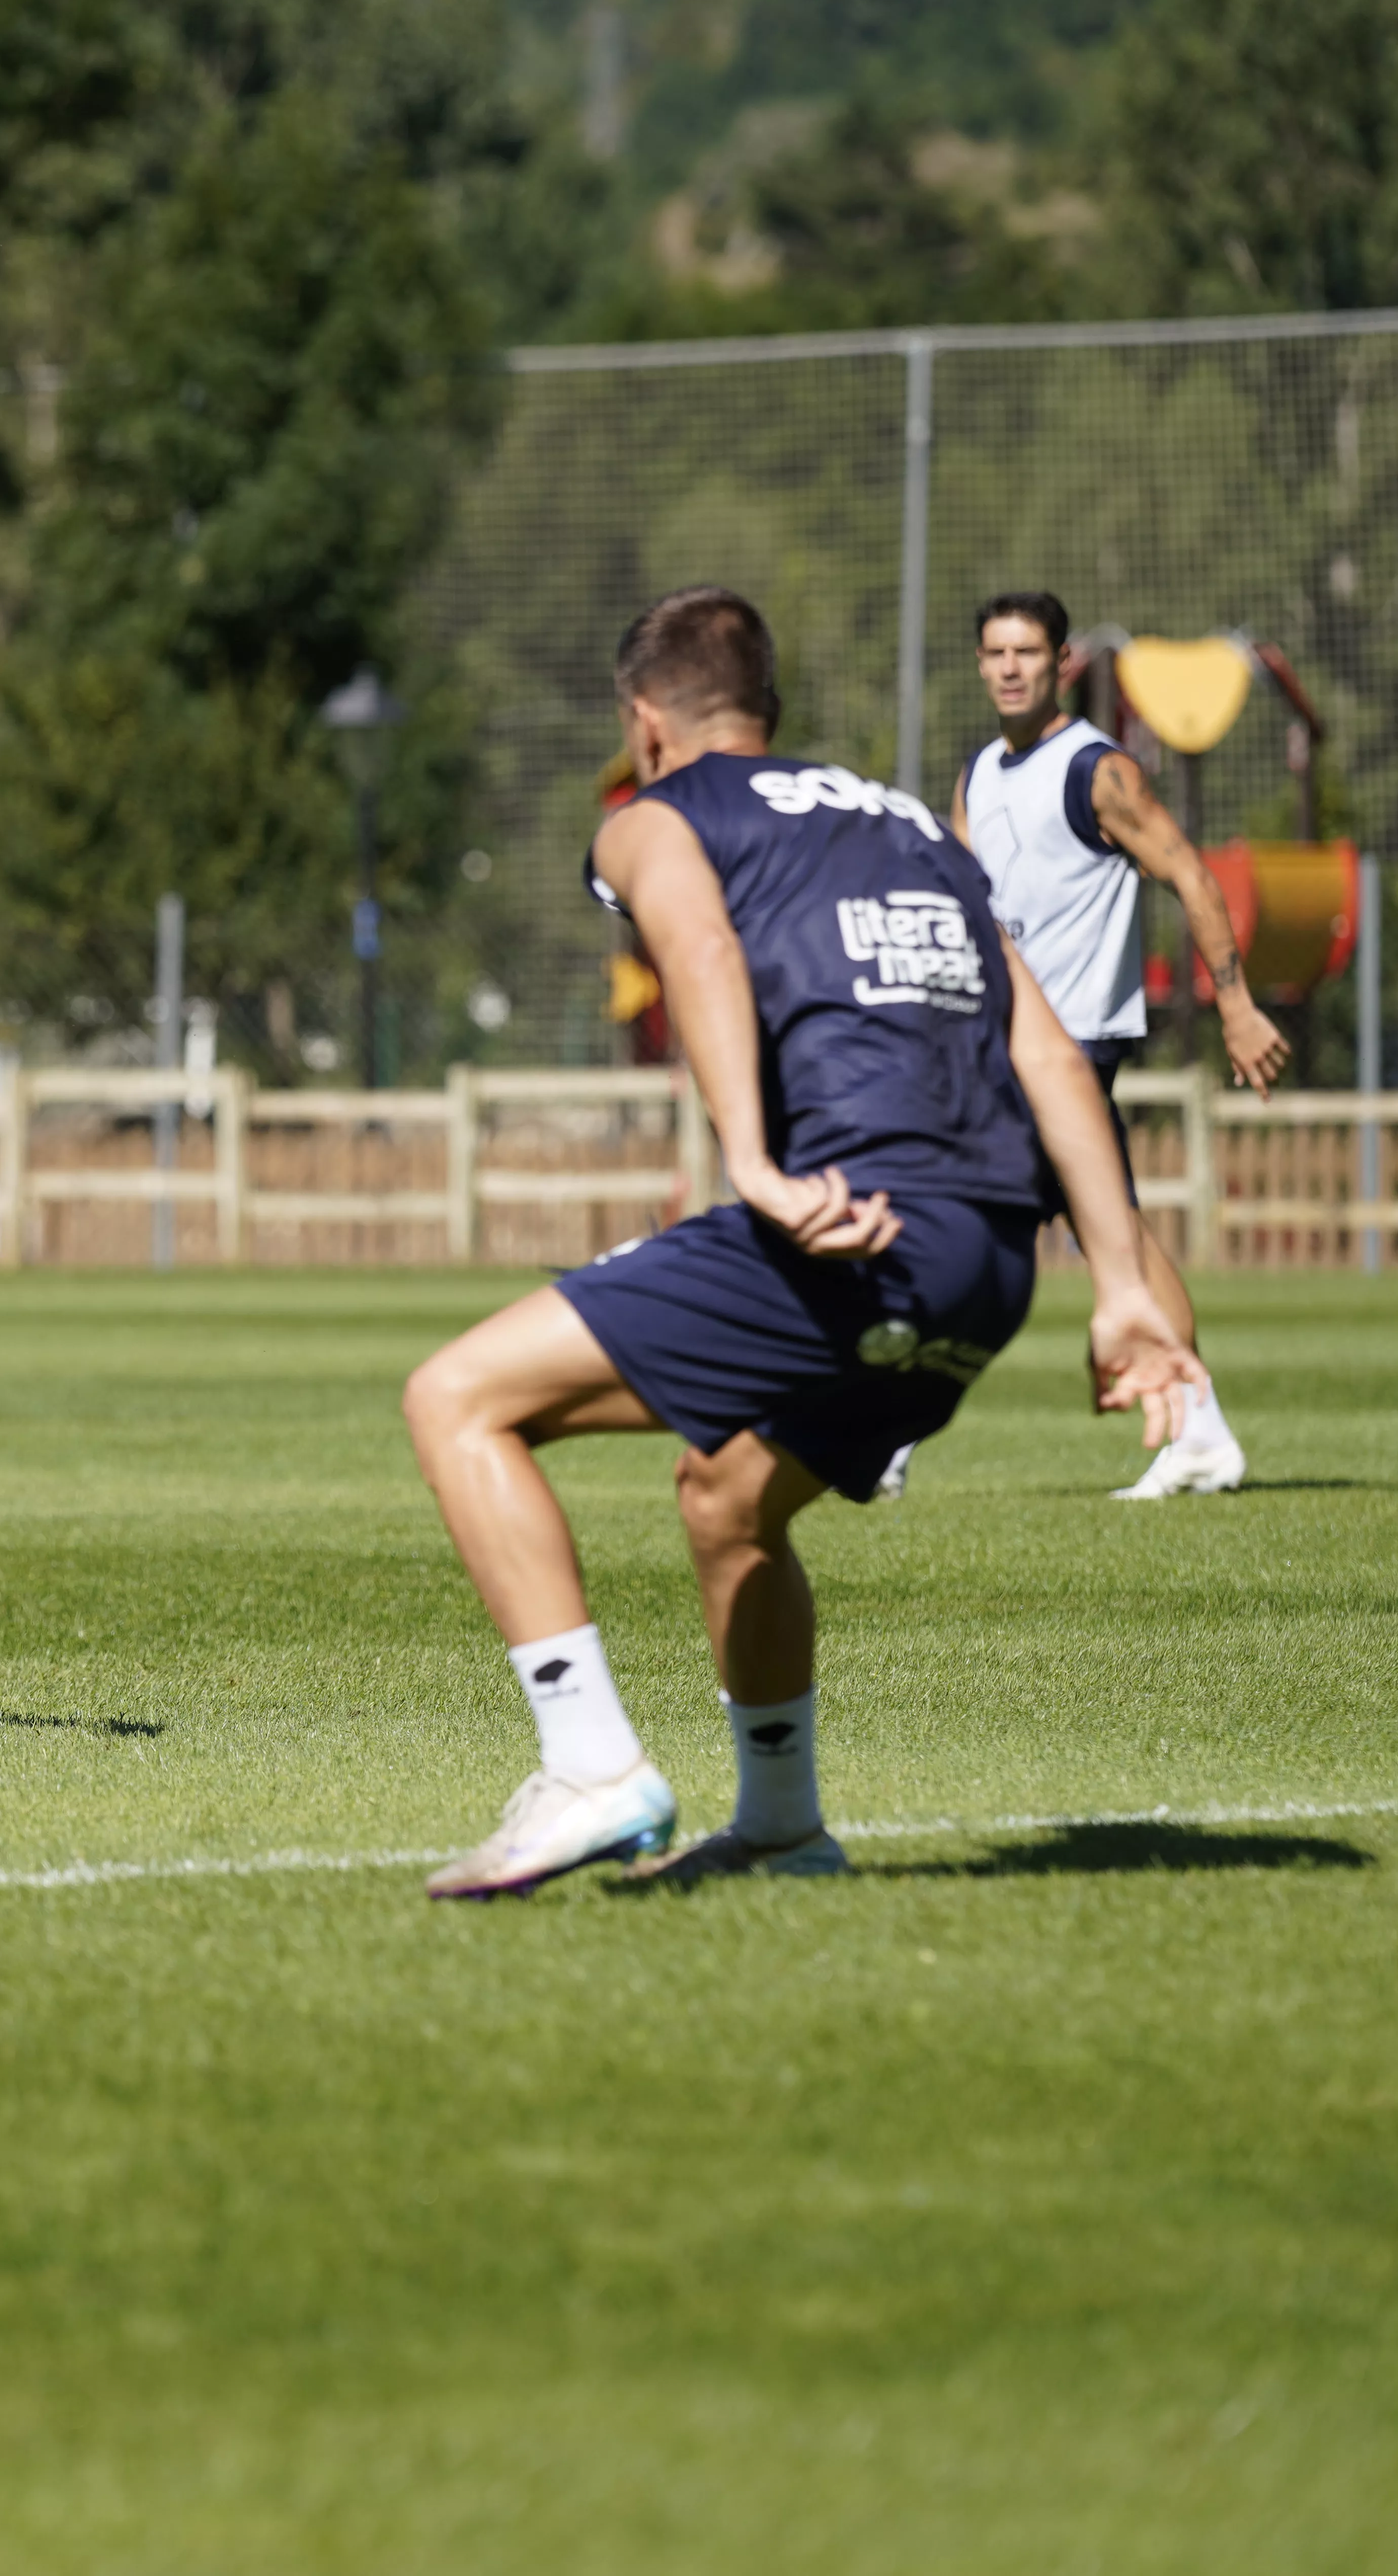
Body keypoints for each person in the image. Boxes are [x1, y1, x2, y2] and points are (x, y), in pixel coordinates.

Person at [402, 587, 1203, 1898]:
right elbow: (1047, 1049)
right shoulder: (912, 826)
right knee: (729, 1498)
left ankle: (591, 1767)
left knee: (456, 1400)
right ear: (766, 708)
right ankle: (782, 1824)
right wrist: (1119, 1285)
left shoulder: (654, 818)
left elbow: (702, 950)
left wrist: (756, 1169)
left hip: (846, 1231)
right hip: (990, 1268)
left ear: (644, 721)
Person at [944, 592, 1283, 1498]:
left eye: (1027, 652)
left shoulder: (1097, 771)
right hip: (1003, 1044)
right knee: (1112, 1235)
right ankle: (1200, 1424)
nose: (1010, 667)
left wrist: (1236, 1004)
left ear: (1061, 664)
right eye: (994, 652)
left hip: (1076, 1044)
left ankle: (886, 1426)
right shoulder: (978, 775)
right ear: (979, 665)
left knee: (979, 1212)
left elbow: (1188, 873)